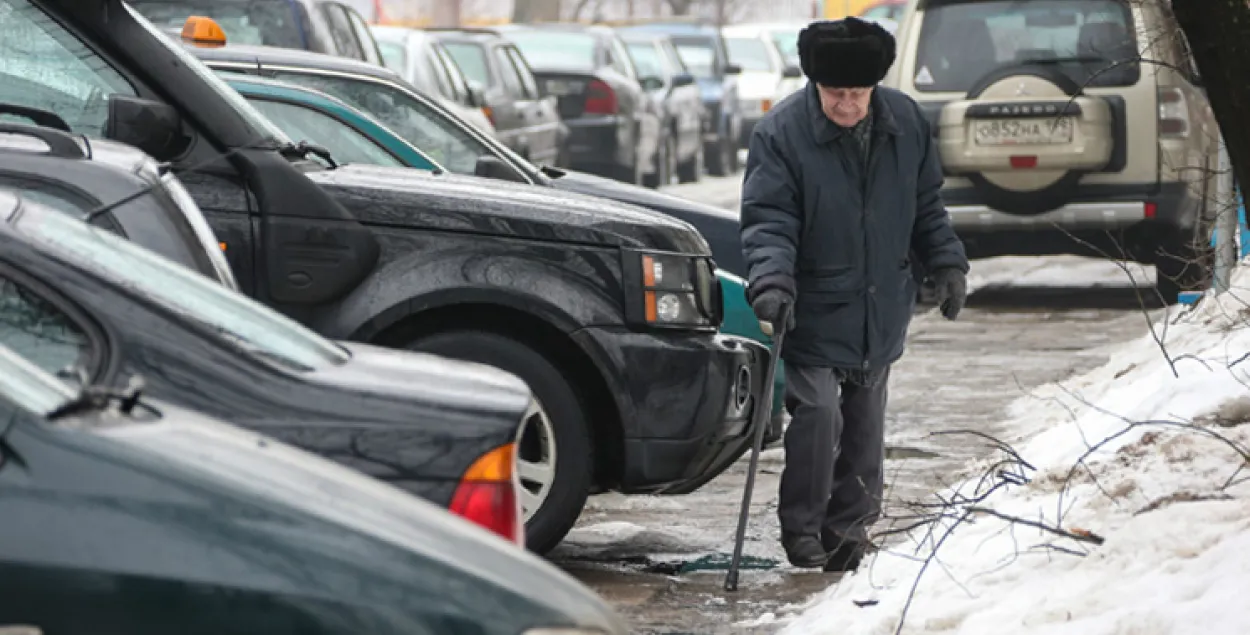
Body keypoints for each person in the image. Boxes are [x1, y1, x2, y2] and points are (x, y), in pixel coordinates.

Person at [739, 17, 970, 572]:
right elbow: (769, 219)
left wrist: (947, 261)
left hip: (880, 302)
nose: (847, 105)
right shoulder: (781, 133)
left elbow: (926, 205)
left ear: (875, 87)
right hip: (814, 303)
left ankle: (849, 531)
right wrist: (771, 282)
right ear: (815, 85)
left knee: (866, 426)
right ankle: (801, 531)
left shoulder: (905, 122)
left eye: (858, 93)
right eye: (836, 94)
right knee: (818, 415)